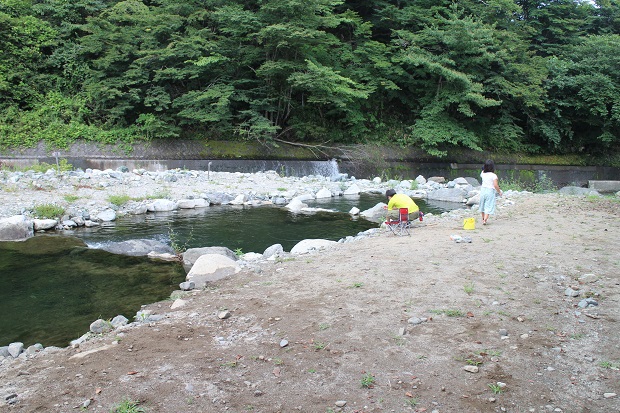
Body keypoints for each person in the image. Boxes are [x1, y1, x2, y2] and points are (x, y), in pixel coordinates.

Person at [479, 159, 503, 225]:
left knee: (482, 205)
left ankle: (483, 218)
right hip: (490, 191)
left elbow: (483, 170)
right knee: (488, 205)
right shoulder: (493, 175)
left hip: (483, 190)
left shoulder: (483, 174)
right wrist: (499, 192)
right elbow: (495, 185)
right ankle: (485, 220)